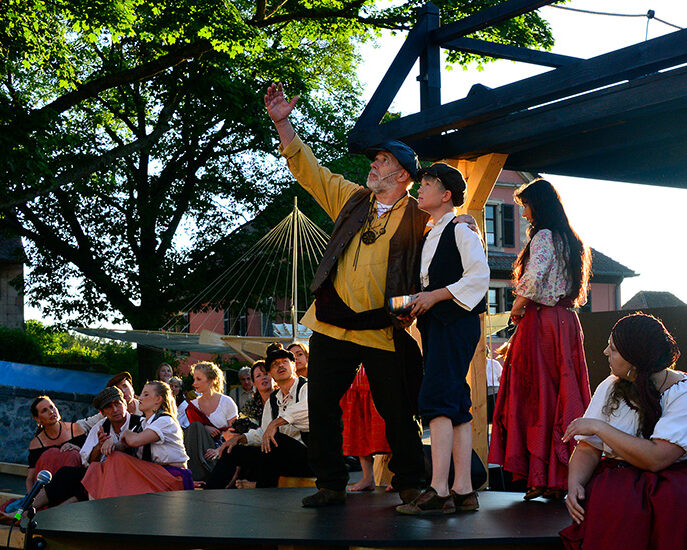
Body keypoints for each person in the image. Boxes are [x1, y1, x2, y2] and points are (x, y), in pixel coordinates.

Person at [265, 82, 434, 508]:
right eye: (375, 159)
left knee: (397, 410)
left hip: (381, 327)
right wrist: (283, 124)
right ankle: (330, 484)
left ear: (403, 175)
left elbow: (445, 243)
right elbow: (311, 171)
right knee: (321, 405)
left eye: (383, 160)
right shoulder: (353, 199)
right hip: (332, 322)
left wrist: (464, 222)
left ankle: (410, 482)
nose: (373, 164)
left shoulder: (422, 216)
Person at [488, 178, 592, 500]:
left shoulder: (544, 236)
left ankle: (538, 476)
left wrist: (516, 307)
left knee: (537, 396)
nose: (524, 214)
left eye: (526, 206)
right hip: (565, 322)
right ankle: (559, 476)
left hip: (542, 323)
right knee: (562, 395)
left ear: (539, 205)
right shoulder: (571, 240)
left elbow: (534, 277)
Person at [396, 163, 489, 515]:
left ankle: (439, 489)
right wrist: (416, 305)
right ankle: (463, 489)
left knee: (436, 398)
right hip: (439, 324)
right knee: (455, 402)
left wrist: (434, 296)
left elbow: (479, 276)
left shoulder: (460, 229)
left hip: (455, 322)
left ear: (446, 194)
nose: (420, 189)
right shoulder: (432, 232)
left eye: (427, 184)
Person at [559, 313, 686, 549]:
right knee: (614, 499)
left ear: (634, 358)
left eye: (614, 349)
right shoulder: (610, 385)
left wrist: (599, 427)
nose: (606, 352)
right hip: (618, 482)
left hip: (668, 485)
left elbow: (657, 458)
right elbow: (588, 447)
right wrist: (575, 483)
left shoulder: (682, 394)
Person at [204, 344, 312, 489]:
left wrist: (276, 423)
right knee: (233, 450)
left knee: (275, 439)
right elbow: (264, 433)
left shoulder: (306, 387)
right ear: (271, 373)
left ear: (293, 366)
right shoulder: (273, 400)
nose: (280, 365)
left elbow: (307, 410)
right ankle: (209, 492)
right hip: (281, 459)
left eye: (284, 362)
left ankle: (261, 488)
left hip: (308, 459)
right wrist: (240, 438)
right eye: (275, 364)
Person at [81, 381, 192, 499]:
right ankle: (102, 503)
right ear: (103, 413)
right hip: (153, 473)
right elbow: (122, 446)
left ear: (158, 399)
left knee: (117, 459)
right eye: (109, 407)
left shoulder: (165, 421)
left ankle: (109, 502)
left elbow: (134, 441)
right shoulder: (143, 424)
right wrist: (107, 443)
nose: (140, 398)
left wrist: (126, 433)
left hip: (170, 475)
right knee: (98, 467)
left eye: (146, 395)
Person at [3, 397, 86, 516]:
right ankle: (19, 515)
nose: (51, 412)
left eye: (52, 407)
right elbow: (31, 478)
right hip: (47, 491)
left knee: (70, 456)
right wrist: (31, 497)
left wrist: (76, 448)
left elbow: (89, 458)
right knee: (50, 454)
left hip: (74, 486)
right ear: (37, 419)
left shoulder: (76, 429)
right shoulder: (36, 443)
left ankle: (23, 514)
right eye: (44, 410)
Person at [183, 361, 238, 480]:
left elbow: (235, 433)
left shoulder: (227, 402)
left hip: (223, 447)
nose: (194, 383)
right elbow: (195, 435)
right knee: (195, 427)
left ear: (211, 381)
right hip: (200, 449)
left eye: (199, 379)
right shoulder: (193, 405)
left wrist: (218, 450)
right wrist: (204, 427)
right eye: (194, 379)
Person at [340, 365, 391, 492]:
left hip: (378, 375)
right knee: (359, 429)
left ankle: (398, 476)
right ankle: (367, 477)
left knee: (386, 428)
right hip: (354, 378)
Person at [76, 371, 142, 434]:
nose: (123, 391)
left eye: (125, 386)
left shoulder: (146, 406)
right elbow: (83, 425)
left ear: (132, 389)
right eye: (118, 389)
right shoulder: (108, 413)